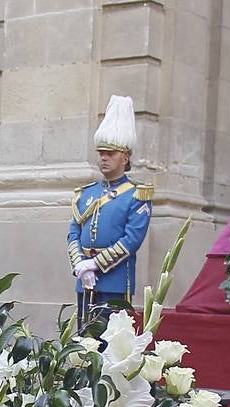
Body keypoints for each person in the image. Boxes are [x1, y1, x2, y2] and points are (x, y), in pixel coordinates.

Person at [67, 95, 153, 323]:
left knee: (111, 346)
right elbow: (74, 232)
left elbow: (131, 240)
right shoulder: (85, 193)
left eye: (110, 154)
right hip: (84, 279)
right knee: (84, 344)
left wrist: (95, 264)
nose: (104, 158)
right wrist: (80, 267)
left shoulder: (136, 194)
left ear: (125, 157)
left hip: (115, 281)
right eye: (101, 153)